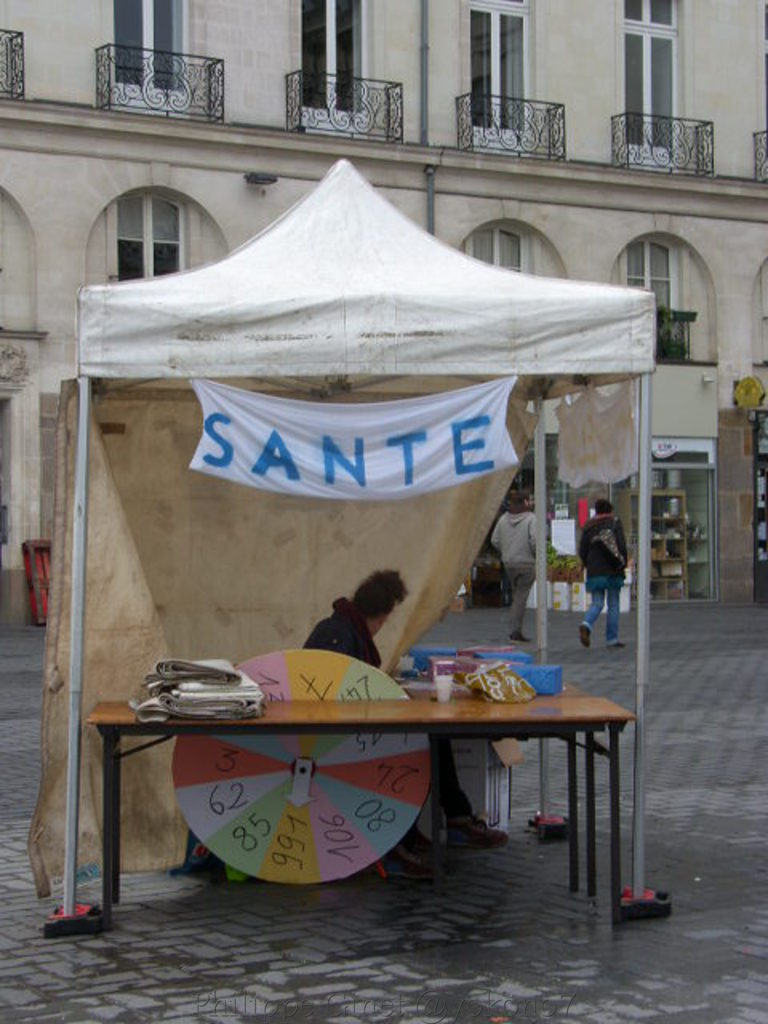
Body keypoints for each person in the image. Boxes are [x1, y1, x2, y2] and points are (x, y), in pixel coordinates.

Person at [304, 569, 508, 879]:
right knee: (414, 747)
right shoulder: (341, 634)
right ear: (382, 615)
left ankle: (447, 822)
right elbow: (331, 696)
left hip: (347, 728)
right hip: (334, 739)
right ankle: (398, 844)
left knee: (431, 737)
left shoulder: (343, 627)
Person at [578, 498, 628, 649]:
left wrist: (588, 564)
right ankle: (611, 639)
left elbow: (582, 550)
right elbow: (621, 546)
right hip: (613, 569)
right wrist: (623, 562)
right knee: (613, 604)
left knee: (597, 603)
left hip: (595, 570)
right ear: (610, 510)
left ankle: (586, 624)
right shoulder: (614, 523)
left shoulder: (588, 526)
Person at [490, 491, 536, 642]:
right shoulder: (531, 518)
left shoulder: (503, 519)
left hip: (509, 563)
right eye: (529, 500)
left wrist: (507, 551)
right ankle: (515, 631)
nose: (531, 502)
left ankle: (515, 629)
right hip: (526, 562)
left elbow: (495, 540)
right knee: (520, 597)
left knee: (517, 594)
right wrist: (536, 554)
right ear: (525, 502)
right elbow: (535, 540)